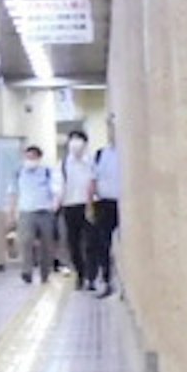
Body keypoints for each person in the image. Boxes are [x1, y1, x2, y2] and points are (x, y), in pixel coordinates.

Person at [82, 121, 121, 293]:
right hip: (105, 203)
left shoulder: (127, 153)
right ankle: (106, 279)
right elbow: (92, 181)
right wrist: (89, 205)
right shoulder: (100, 154)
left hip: (124, 203)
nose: (112, 133)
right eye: (110, 129)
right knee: (102, 243)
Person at [13, 142, 60, 281]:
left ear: (39, 158)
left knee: (47, 244)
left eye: (33, 157)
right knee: (25, 241)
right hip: (26, 212)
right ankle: (26, 270)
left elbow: (55, 191)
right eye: (27, 157)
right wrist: (11, 211)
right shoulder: (19, 172)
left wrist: (54, 206)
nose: (29, 160)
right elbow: (13, 192)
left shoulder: (47, 172)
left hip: (45, 212)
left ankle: (45, 273)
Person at [57, 126, 97, 291]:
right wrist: (57, 203)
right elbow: (58, 186)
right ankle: (81, 274)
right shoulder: (63, 164)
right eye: (72, 140)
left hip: (89, 205)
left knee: (90, 243)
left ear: (85, 144)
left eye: (79, 140)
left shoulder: (92, 162)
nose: (75, 145)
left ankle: (92, 276)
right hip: (70, 206)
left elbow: (95, 182)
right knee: (73, 243)